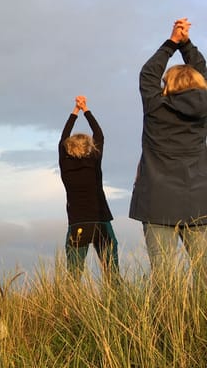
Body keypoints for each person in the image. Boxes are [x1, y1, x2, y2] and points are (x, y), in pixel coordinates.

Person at [130, 18, 207, 286]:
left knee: (164, 279)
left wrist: (171, 43)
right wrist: (186, 44)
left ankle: (167, 328)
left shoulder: (156, 106)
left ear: (167, 86)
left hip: (157, 202)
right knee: (205, 277)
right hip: (199, 200)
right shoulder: (204, 109)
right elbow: (201, 70)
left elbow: (148, 74)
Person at [59, 95, 119, 280]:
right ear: (91, 148)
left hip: (77, 223)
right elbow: (99, 134)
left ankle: (70, 308)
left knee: (74, 277)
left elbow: (63, 137)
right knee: (112, 274)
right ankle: (116, 302)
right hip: (100, 221)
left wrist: (74, 111)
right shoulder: (94, 161)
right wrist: (85, 109)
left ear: (67, 148)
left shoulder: (66, 165)